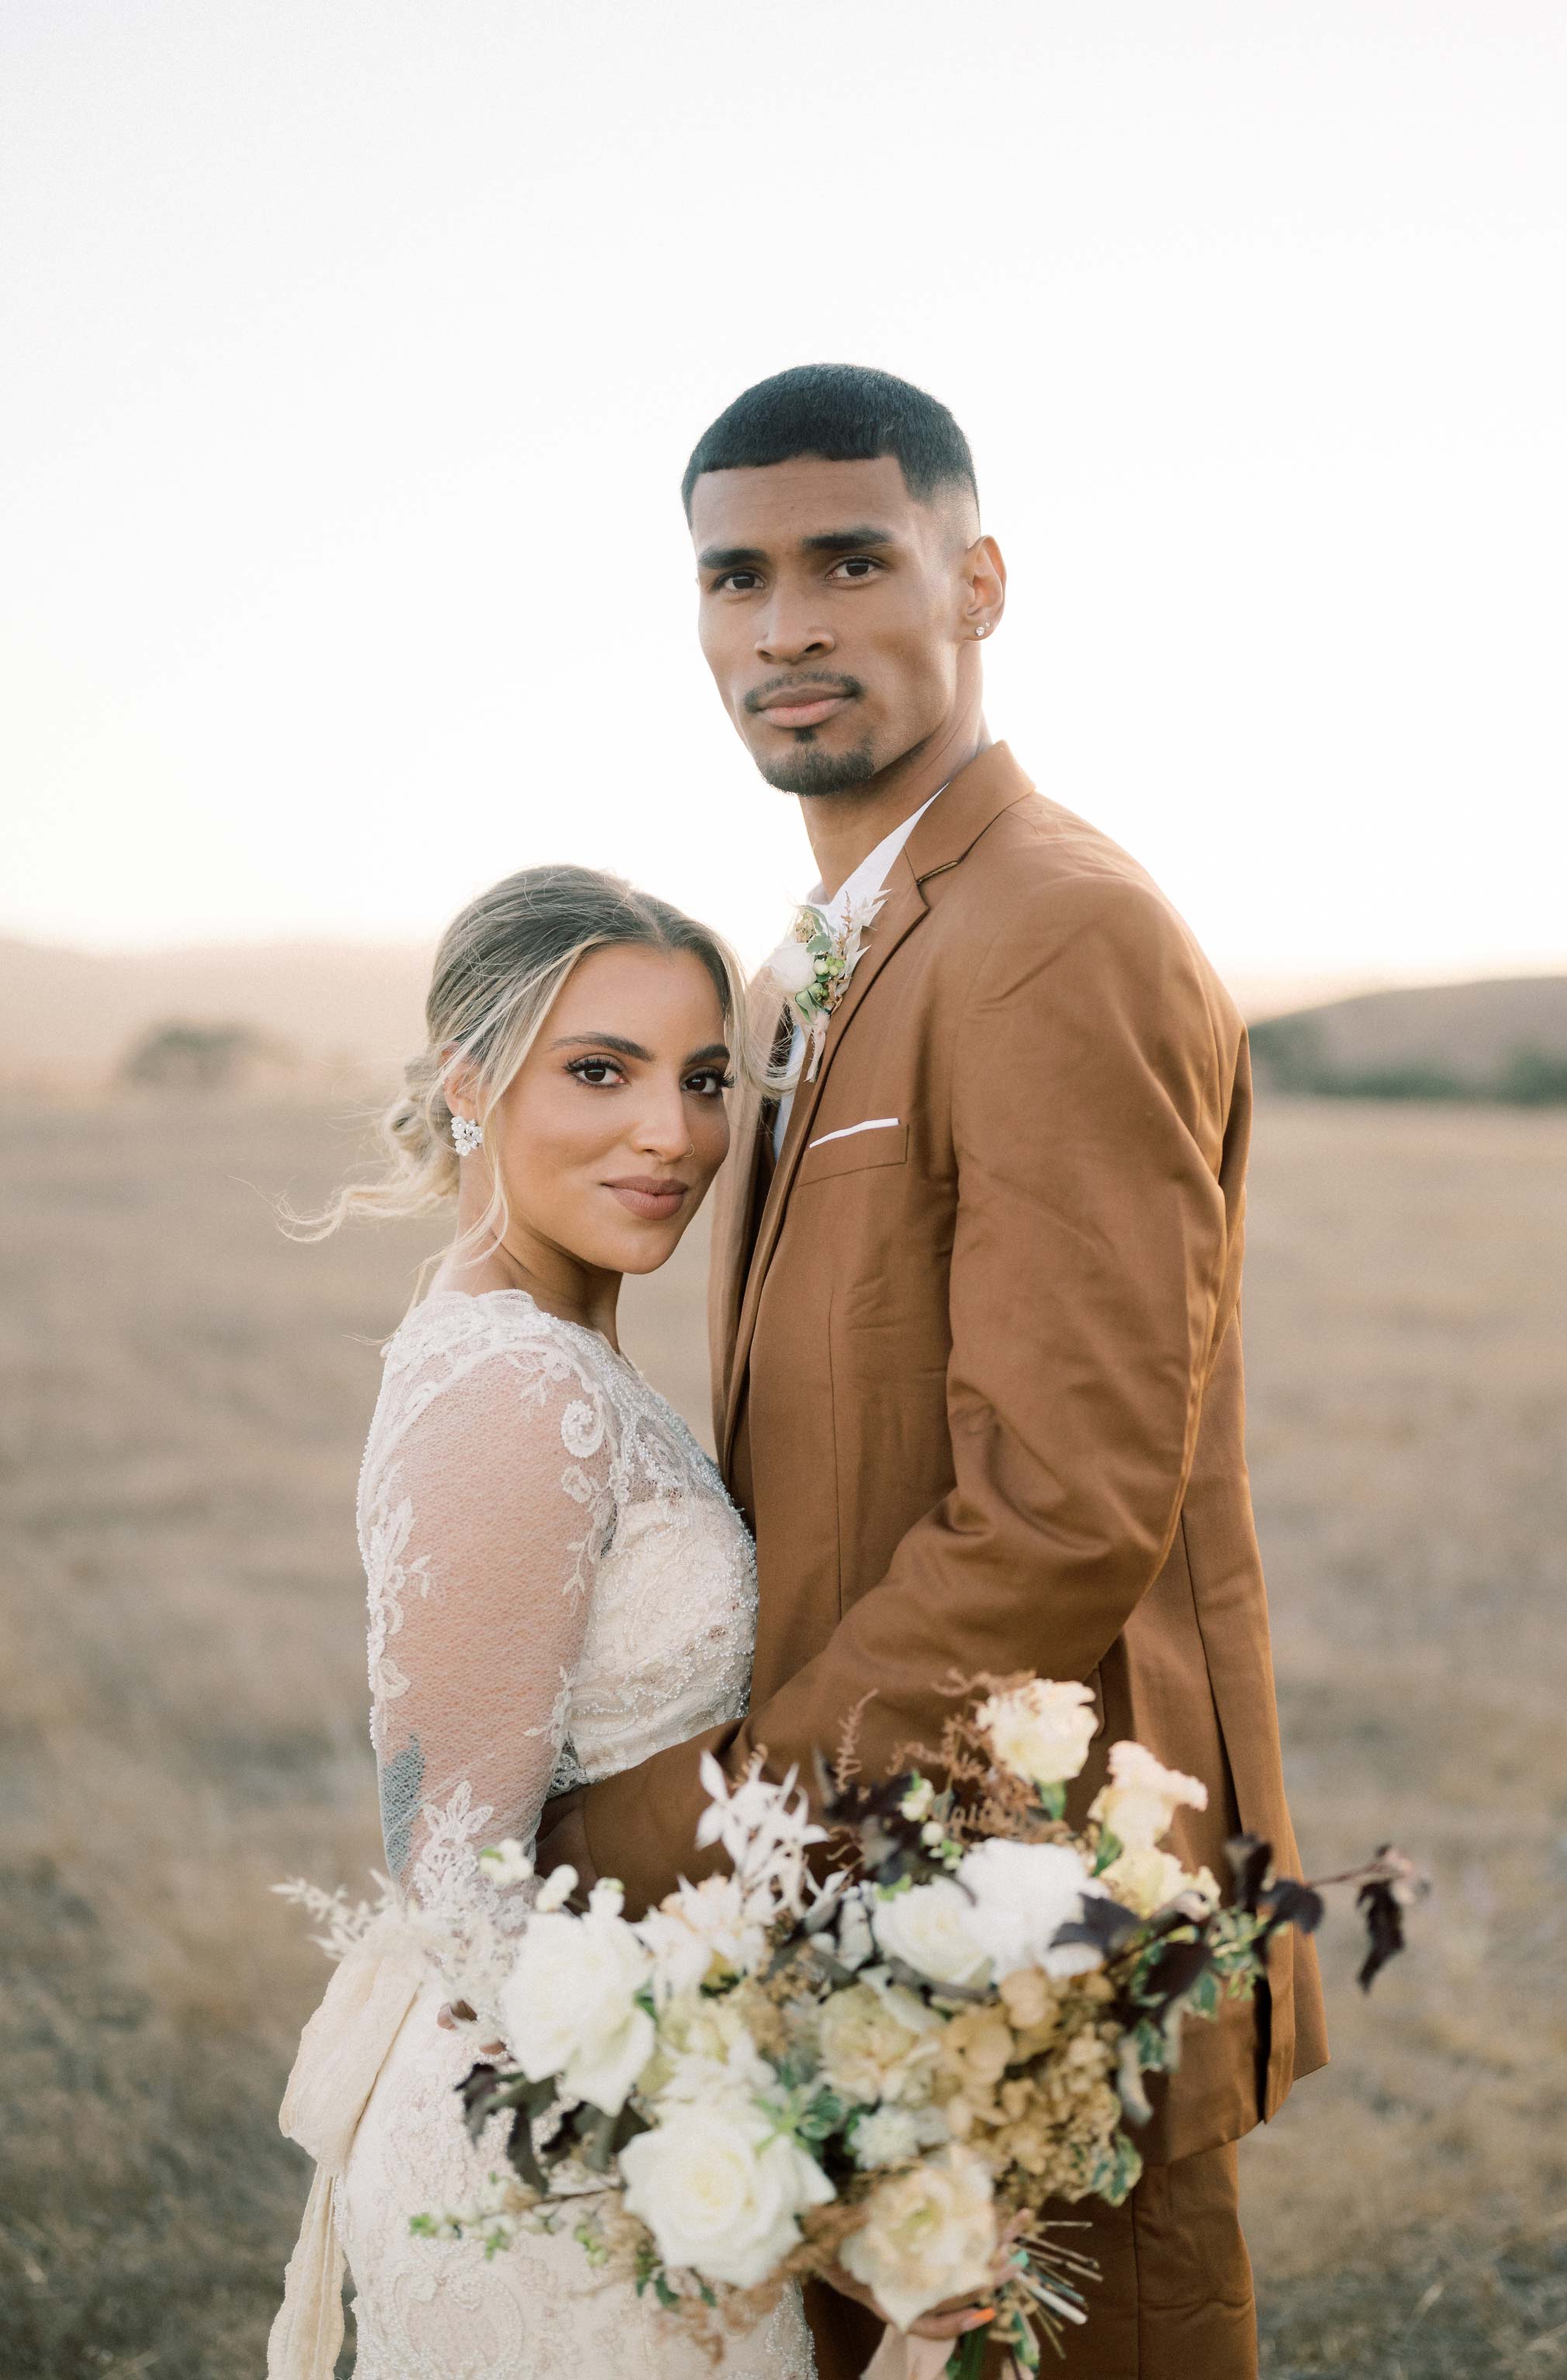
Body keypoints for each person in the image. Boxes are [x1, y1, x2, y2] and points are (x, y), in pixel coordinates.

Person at [537, 365, 1330, 2378]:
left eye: (849, 560)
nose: (785, 626)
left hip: (1033, 1885)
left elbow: (1066, 1498)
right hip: (861, 1857)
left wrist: (750, 1821)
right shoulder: (802, 956)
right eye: (736, 577)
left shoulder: (1057, 931)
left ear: (976, 578)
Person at [268, 866, 815, 2378]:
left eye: (705, 1079)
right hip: (564, 2170)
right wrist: (733, 2149)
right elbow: (455, 1878)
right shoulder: (518, 1384)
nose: (673, 1131)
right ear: (466, 1080)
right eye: (600, 1070)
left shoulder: (549, 1354)